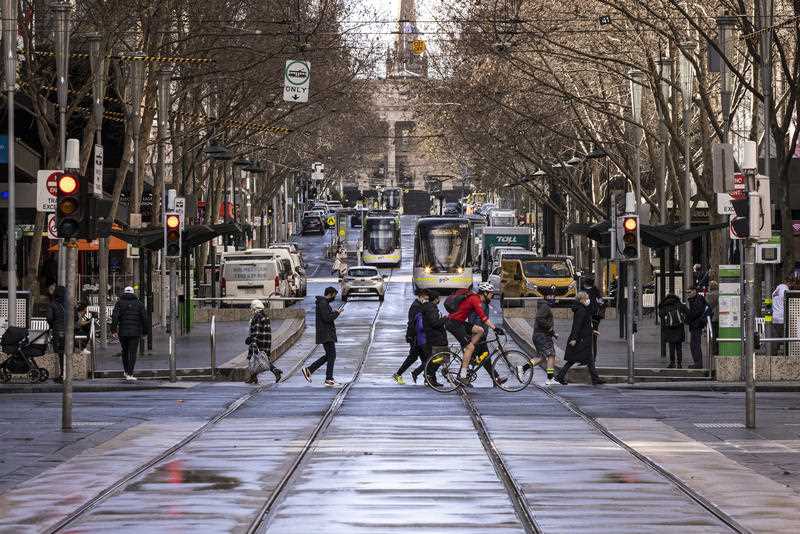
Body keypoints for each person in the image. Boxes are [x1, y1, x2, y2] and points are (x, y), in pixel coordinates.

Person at [444, 282, 503, 387]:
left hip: (459, 322)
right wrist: (495, 328)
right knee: (470, 348)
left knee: (480, 330)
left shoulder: (475, 298)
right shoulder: (476, 300)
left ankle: (470, 346)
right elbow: (483, 317)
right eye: (491, 294)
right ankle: (462, 376)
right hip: (453, 323)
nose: (492, 296)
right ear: (485, 293)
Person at [554, 292, 605, 386]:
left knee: (589, 359)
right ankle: (560, 376)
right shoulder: (581, 310)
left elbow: (584, 325)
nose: (588, 300)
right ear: (581, 300)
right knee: (573, 359)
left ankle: (595, 379)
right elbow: (577, 325)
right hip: (581, 340)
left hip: (584, 338)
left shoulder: (582, 309)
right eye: (586, 298)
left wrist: (592, 331)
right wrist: (574, 339)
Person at [303, 286, 343, 387]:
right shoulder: (323, 303)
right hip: (326, 334)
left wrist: (334, 313)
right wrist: (336, 313)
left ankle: (310, 370)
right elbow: (327, 318)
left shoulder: (323, 303)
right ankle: (328, 378)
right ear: (330, 294)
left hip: (326, 333)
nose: (334, 298)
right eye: (334, 295)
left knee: (329, 356)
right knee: (331, 355)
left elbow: (326, 316)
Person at [110, 286, 150, 381]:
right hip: (135, 332)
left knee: (125, 351)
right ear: (133, 293)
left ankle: (126, 371)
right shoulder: (139, 304)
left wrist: (113, 330)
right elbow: (144, 318)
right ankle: (130, 373)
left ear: (124, 293)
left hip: (123, 332)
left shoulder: (119, 303)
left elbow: (115, 317)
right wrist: (145, 332)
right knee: (132, 352)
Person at [520, 294, 558, 385]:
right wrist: (550, 329)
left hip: (540, 335)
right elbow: (539, 318)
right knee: (551, 355)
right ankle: (549, 379)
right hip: (543, 336)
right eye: (550, 296)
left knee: (541, 358)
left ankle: (523, 368)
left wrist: (552, 333)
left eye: (553, 296)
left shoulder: (543, 305)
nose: (552, 298)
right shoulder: (545, 306)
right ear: (545, 297)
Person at [393, 288, 429, 384]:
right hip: (416, 337)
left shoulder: (418, 305)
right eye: (425, 298)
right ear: (420, 296)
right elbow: (414, 323)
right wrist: (411, 336)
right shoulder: (416, 307)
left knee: (424, 359)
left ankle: (425, 377)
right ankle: (399, 374)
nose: (426, 300)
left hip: (416, 337)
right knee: (418, 358)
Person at [245, 299, 283, 384]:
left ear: (255, 308)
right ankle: (253, 377)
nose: (251, 310)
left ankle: (275, 371)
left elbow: (257, 331)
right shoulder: (265, 316)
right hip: (266, 341)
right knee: (260, 359)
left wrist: (253, 341)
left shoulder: (257, 317)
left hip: (259, 342)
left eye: (252, 308)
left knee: (256, 360)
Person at [419, 290, 447, 387]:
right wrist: (444, 319)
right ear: (435, 299)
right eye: (438, 298)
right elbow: (434, 323)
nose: (439, 299)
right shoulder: (431, 308)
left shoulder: (431, 307)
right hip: (435, 337)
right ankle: (429, 375)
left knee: (435, 358)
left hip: (434, 336)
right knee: (440, 357)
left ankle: (431, 378)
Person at [658, 292, 688, 369]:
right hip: (679, 328)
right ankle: (679, 364)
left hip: (670, 329)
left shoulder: (666, 305)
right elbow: (688, 312)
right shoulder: (679, 304)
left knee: (671, 347)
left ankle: (672, 363)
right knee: (679, 347)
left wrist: (661, 304)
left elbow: (661, 315)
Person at [47, 286, 67, 383]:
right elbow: (75, 317)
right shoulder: (68, 304)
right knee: (67, 354)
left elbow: (49, 318)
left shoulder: (52, 304)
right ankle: (66, 374)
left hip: (58, 332)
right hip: (68, 333)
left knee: (60, 354)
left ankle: (62, 375)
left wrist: (52, 325)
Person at [582, 275, 605, 359]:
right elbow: (601, 302)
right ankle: (593, 356)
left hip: (585, 316)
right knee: (593, 337)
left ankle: (586, 356)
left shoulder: (583, 291)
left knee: (584, 336)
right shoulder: (596, 291)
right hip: (595, 317)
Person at [686, 287, 709, 369]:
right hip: (695, 324)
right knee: (694, 345)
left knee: (695, 345)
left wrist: (688, 318)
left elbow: (695, 312)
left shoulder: (698, 300)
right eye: (687, 292)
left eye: (689, 292)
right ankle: (697, 362)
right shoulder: (694, 299)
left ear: (694, 291)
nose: (688, 294)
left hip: (697, 325)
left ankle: (698, 363)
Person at [772, 276, 791, 355]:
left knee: (776, 338)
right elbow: (787, 303)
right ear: (788, 282)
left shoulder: (775, 291)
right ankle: (785, 354)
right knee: (785, 338)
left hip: (774, 317)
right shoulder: (785, 290)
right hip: (783, 317)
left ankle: (774, 354)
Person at [706, 280, 719, 356]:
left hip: (713, 317)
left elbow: (708, 306)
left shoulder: (709, 295)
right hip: (720, 317)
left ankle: (714, 350)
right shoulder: (720, 293)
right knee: (718, 334)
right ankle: (718, 349)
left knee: (713, 335)